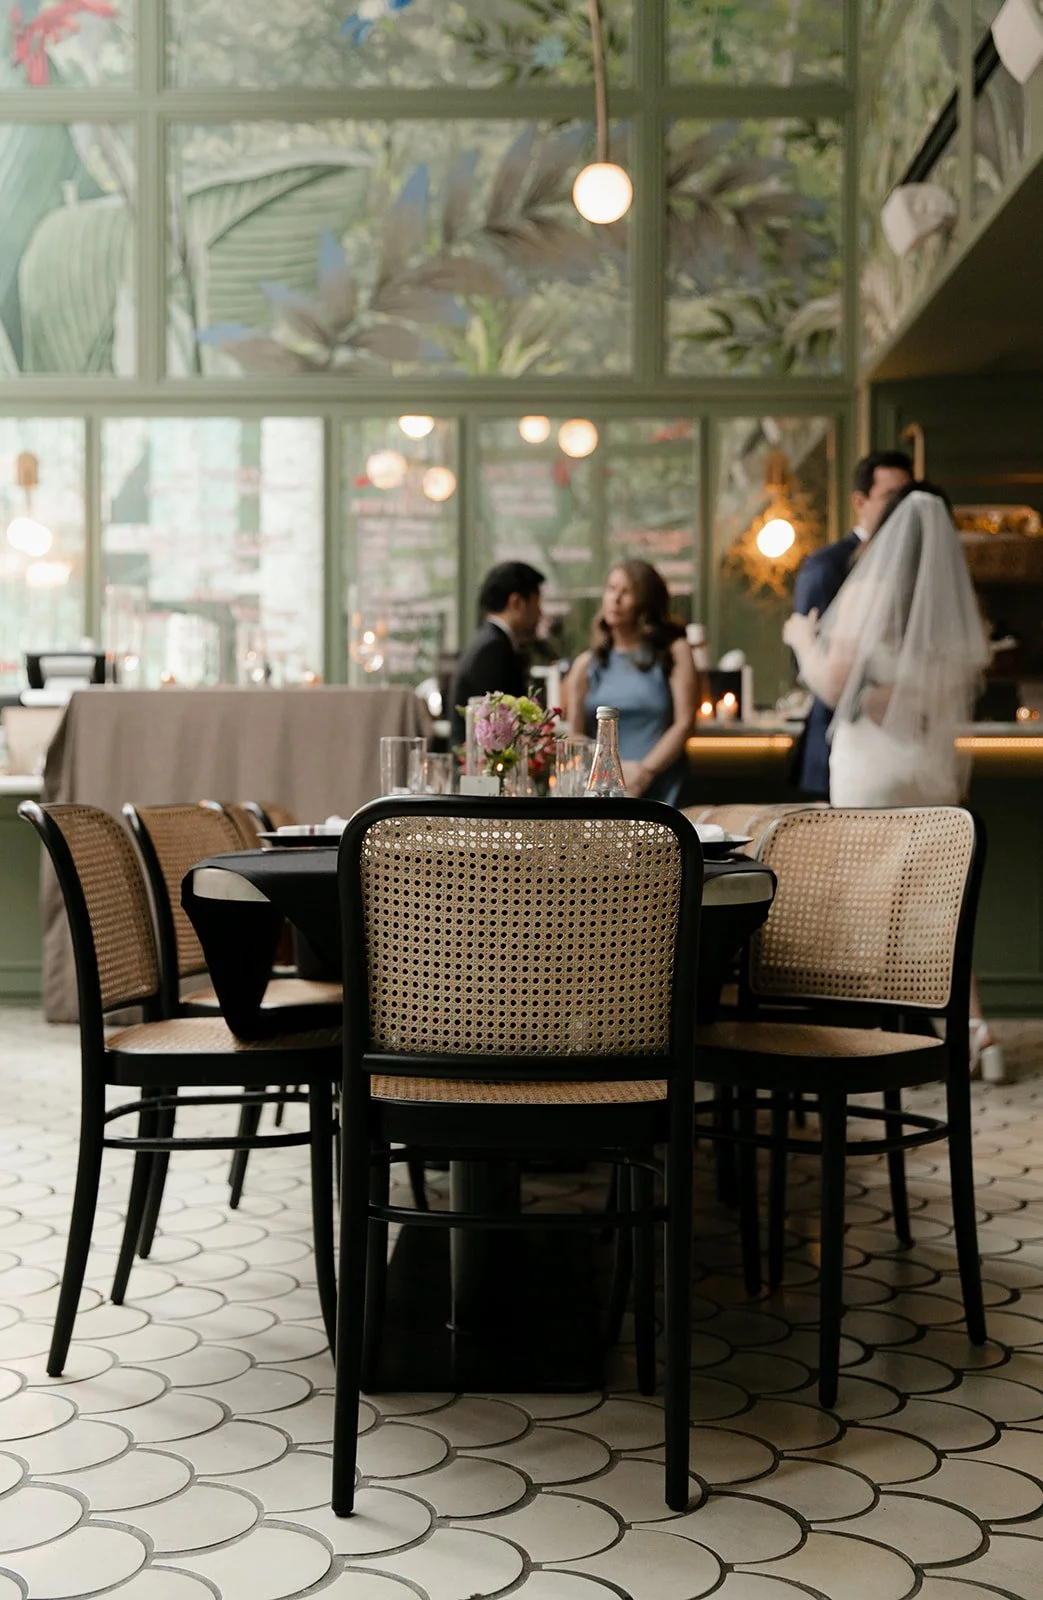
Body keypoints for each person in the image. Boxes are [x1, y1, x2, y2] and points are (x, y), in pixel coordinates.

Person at [783, 481, 1003, 1080]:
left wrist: (801, 638)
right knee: (938, 906)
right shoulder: (951, 605)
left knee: (865, 904)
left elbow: (835, 685)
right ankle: (974, 1032)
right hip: (929, 769)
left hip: (872, 772)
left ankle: (862, 1047)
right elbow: (935, 700)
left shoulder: (867, 591)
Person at [791, 450, 914, 798]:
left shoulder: (916, 565)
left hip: (903, 737)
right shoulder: (827, 565)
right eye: (891, 497)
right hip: (842, 737)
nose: (901, 508)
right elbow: (809, 659)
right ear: (860, 501)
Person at [563, 559, 698, 805]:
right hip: (604, 790)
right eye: (611, 589)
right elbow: (576, 735)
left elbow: (686, 722)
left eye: (627, 592)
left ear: (647, 602)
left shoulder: (675, 651)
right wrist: (605, 775)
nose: (615, 599)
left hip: (662, 787)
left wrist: (645, 771)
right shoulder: (586, 664)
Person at [449, 561, 544, 746]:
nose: (540, 613)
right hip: (481, 770)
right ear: (516, 602)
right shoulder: (493, 650)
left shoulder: (488, 643)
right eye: (536, 603)